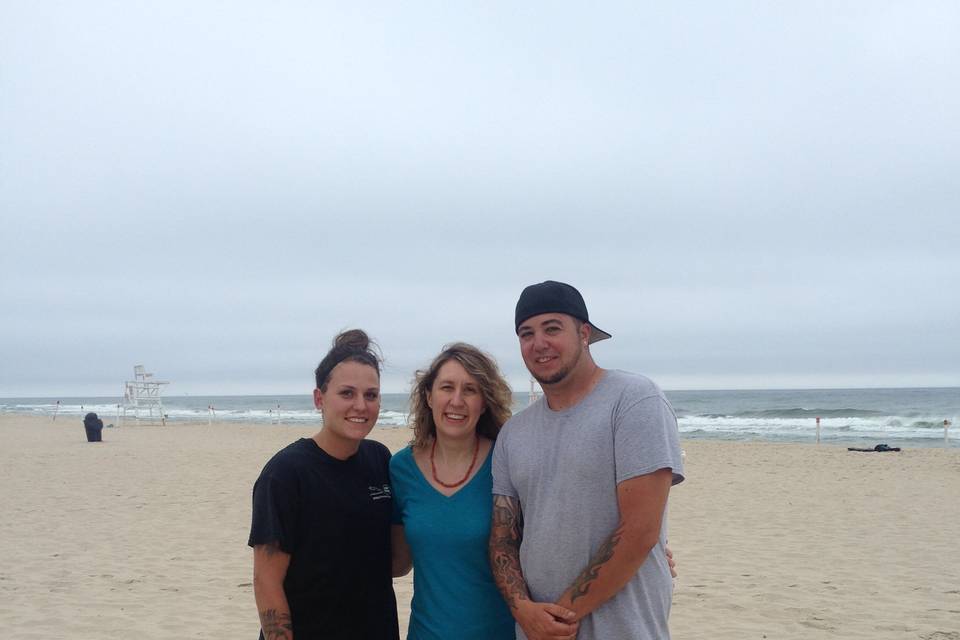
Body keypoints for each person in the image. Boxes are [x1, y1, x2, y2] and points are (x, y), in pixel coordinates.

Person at [490, 280, 686, 640]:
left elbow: (640, 531)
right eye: (526, 333)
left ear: (583, 333)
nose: (539, 343)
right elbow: (504, 538)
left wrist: (560, 619)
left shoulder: (634, 400)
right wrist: (524, 612)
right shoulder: (513, 434)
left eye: (552, 328)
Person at [248, 329, 399, 640]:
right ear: (320, 399)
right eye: (347, 393)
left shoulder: (380, 459)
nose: (361, 405)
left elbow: (396, 564)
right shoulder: (286, 473)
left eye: (371, 395)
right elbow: (266, 581)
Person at [389, 343, 516, 639]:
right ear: (429, 396)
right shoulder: (400, 468)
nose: (456, 400)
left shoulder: (507, 462)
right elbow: (398, 562)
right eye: (447, 387)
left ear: (484, 402)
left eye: (470, 390)